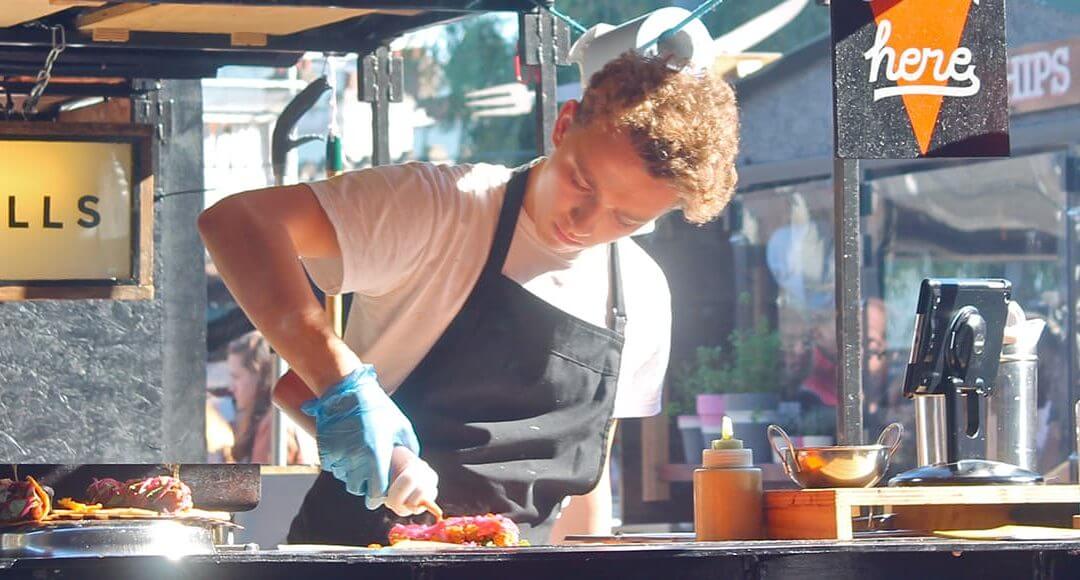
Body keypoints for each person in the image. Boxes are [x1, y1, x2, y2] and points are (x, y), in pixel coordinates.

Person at [198, 51, 740, 545]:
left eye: (626, 218)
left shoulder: (642, 294)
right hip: (361, 555)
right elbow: (236, 222)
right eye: (582, 182)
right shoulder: (442, 207)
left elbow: (585, 479)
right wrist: (342, 387)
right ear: (564, 123)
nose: (585, 223)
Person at [226, 332, 315, 465]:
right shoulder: (277, 418)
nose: (231, 387)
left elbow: (266, 482)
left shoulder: (273, 426)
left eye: (236, 377)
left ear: (259, 375)